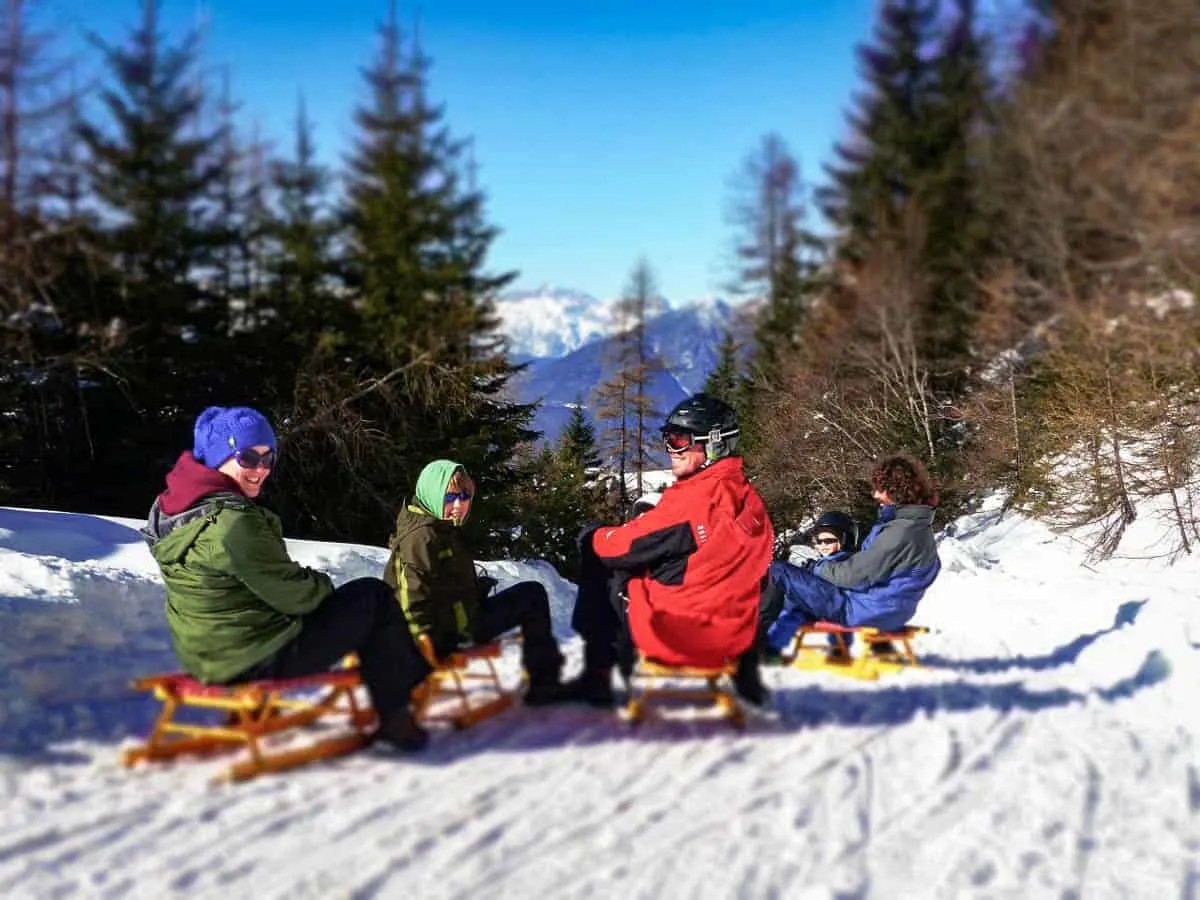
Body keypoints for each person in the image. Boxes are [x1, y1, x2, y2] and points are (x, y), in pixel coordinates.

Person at [142, 406, 432, 752]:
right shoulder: (232, 524)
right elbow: (297, 596)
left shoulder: (170, 509)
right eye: (248, 458)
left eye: (268, 459)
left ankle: (406, 673)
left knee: (347, 605)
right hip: (254, 658)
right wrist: (322, 585)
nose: (260, 470)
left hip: (204, 653)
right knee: (374, 598)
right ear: (219, 457)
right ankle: (398, 717)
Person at [552, 393, 775, 708]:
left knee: (603, 565)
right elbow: (760, 577)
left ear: (713, 444)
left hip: (679, 637)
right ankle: (746, 675)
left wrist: (591, 536)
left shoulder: (691, 502)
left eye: (680, 440)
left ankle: (597, 676)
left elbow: (620, 547)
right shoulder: (752, 504)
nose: (671, 449)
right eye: (668, 438)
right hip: (732, 635)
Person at [383, 459, 570, 705]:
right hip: (449, 636)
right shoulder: (422, 538)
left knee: (530, 594)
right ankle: (544, 683)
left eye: (465, 496)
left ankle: (543, 679)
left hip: (458, 620)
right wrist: (423, 648)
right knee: (532, 596)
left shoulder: (438, 527)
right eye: (451, 497)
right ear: (433, 493)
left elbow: (443, 585)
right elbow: (410, 596)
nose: (459, 505)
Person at [761, 455, 941, 657]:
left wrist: (816, 568)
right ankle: (841, 648)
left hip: (861, 610)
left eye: (879, 489)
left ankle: (754, 644)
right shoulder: (918, 529)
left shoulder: (899, 533)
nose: (875, 495)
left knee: (777, 571)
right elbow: (925, 570)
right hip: (892, 610)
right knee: (799, 591)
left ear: (894, 491)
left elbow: (853, 576)